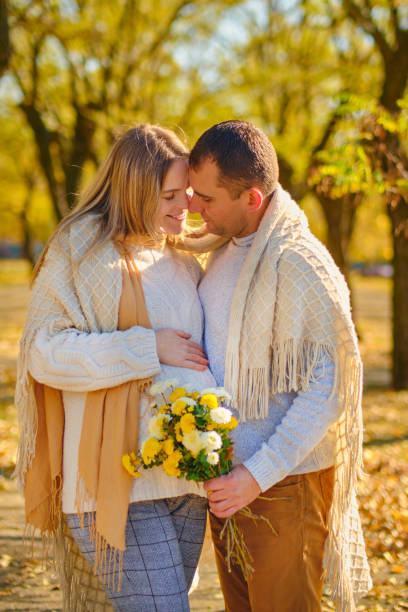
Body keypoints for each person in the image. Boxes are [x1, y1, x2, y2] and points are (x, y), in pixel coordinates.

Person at [14, 124, 217, 612]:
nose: (183, 207)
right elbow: (44, 350)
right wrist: (146, 348)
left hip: (185, 476)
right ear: (134, 190)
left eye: (185, 194)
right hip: (113, 477)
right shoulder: (80, 249)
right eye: (169, 195)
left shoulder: (185, 260)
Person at [188, 120, 372, 611]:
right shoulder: (224, 249)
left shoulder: (298, 263)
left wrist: (256, 475)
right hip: (231, 486)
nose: (192, 207)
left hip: (282, 487)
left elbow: (331, 387)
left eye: (205, 198)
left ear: (251, 198)